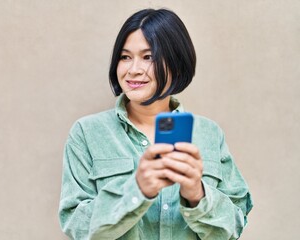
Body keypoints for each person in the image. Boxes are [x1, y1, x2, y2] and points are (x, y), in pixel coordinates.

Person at [59, 8, 253, 240]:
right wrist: (137, 190)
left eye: (148, 57)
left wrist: (197, 195)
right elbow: (76, 226)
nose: (133, 70)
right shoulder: (87, 133)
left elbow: (234, 226)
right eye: (125, 57)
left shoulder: (209, 134)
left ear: (177, 63)